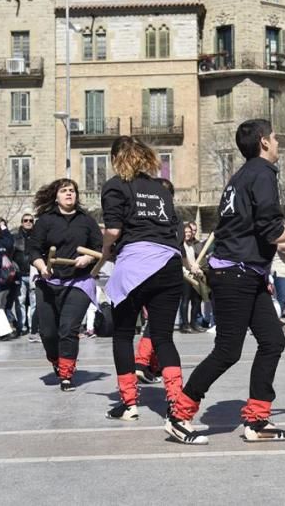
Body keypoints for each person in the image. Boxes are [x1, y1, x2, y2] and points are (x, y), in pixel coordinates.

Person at [169, 119, 285, 444]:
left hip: (245, 272)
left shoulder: (240, 177)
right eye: (276, 137)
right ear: (264, 142)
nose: (279, 143)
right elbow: (271, 228)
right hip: (235, 274)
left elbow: (247, 230)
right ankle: (180, 414)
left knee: (272, 341)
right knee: (227, 351)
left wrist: (283, 245)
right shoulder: (263, 174)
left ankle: (256, 420)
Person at [98, 136, 196, 438]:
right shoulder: (159, 188)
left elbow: (113, 230)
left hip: (136, 264)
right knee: (164, 338)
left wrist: (103, 253)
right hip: (168, 263)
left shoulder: (115, 185)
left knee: (123, 333)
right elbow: (175, 231)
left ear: (117, 158)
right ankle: (176, 403)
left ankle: (128, 403)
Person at [26, 178, 102, 392]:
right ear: (56, 196)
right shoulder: (45, 221)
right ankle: (56, 359)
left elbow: (99, 248)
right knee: (48, 332)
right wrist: (42, 266)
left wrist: (87, 259)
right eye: (64, 191)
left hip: (79, 282)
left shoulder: (86, 221)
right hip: (49, 282)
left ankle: (67, 374)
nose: (69, 194)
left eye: (72, 191)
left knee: (68, 329)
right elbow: (33, 249)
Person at [12, 213, 37, 338]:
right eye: (25, 220)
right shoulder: (15, 237)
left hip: (33, 273)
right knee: (20, 301)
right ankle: (22, 326)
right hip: (20, 274)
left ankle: (33, 327)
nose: (28, 222)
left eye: (31, 220)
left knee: (34, 302)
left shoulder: (38, 237)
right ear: (21, 222)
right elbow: (11, 256)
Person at [179, 223, 205, 333]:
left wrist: (198, 268)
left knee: (196, 300)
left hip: (195, 274)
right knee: (185, 300)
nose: (188, 234)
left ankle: (194, 323)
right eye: (186, 232)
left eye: (190, 232)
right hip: (185, 275)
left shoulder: (192, 244)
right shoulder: (180, 245)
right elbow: (183, 261)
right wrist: (189, 269)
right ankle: (185, 325)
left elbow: (197, 258)